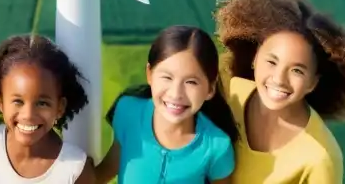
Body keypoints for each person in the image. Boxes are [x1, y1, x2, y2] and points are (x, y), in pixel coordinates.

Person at [213, 0, 345, 184]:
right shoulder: (225, 89)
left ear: (313, 82)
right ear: (255, 58)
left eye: (297, 70)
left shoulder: (319, 159)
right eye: (272, 61)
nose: (279, 79)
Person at [94, 25, 238, 184]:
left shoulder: (217, 146)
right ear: (149, 74)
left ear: (210, 88)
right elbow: (105, 170)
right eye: (167, 78)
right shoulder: (128, 112)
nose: (176, 94)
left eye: (191, 82)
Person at [0, 33, 96, 183]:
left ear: (59, 107)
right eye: (18, 101)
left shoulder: (76, 169)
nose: (28, 115)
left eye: (42, 103)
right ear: (1, 104)